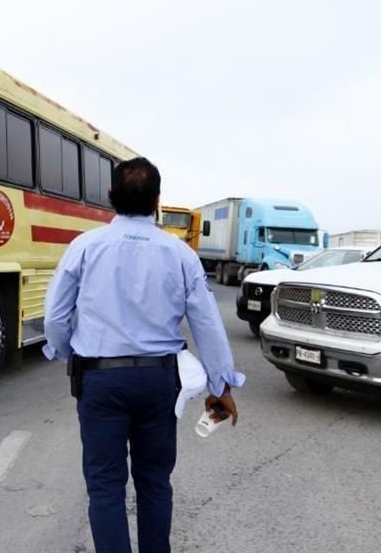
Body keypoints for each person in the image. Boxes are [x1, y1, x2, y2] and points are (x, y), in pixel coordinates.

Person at [43, 157, 244, 553]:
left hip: (99, 380)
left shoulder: (84, 247)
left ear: (110, 198)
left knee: (105, 486)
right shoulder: (180, 253)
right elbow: (206, 323)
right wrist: (222, 384)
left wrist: (69, 352)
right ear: (157, 200)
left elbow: (55, 316)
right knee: (154, 482)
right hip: (158, 382)